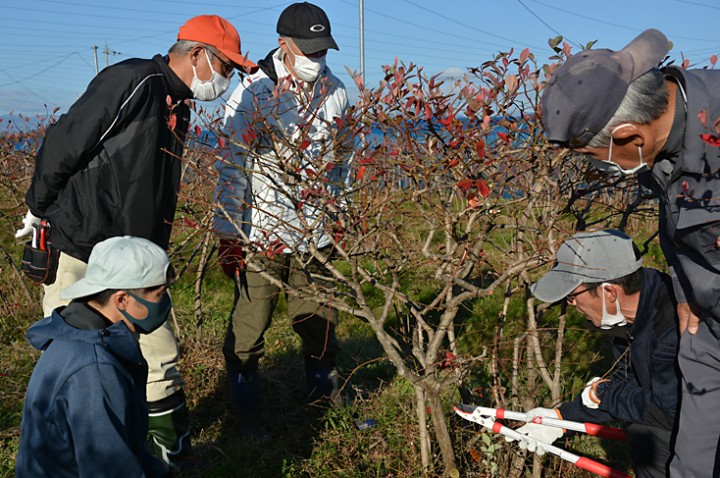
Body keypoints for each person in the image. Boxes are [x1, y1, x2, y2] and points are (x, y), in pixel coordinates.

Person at [13, 15, 256, 469]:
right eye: (226, 66)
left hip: (136, 263)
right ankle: (67, 454)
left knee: (157, 357)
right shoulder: (131, 81)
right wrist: (37, 207)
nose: (227, 79)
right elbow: (65, 142)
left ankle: (164, 455)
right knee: (73, 354)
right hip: (82, 248)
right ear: (198, 54)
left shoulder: (178, 107)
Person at [540, 28, 720, 476]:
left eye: (596, 157)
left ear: (628, 136)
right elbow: (682, 231)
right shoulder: (663, 149)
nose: (599, 168)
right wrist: (686, 287)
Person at [214, 2, 351, 437]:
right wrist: (229, 233)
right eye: (307, 50)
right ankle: (246, 416)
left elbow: (344, 161)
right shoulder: (252, 95)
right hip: (261, 234)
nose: (316, 60)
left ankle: (324, 401)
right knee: (250, 326)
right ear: (283, 45)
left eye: (321, 50)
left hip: (316, 233)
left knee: (319, 324)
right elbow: (231, 168)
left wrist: (339, 213)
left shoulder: (337, 92)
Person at [507, 230, 679, 477]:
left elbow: (668, 410)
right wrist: (562, 419)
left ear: (609, 292)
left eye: (573, 296)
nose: (571, 304)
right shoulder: (629, 320)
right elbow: (628, 383)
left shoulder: (674, 323)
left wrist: (605, 393)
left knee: (647, 434)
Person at [15, 236, 176, 477]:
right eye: (160, 294)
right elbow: (110, 469)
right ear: (122, 299)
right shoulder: (95, 371)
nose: (166, 303)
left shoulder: (78, 335)